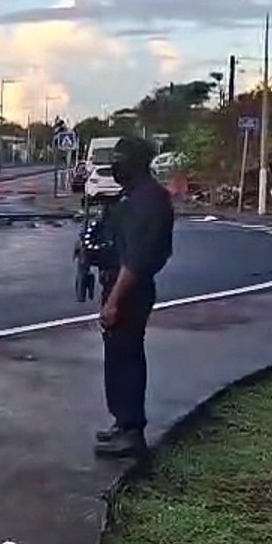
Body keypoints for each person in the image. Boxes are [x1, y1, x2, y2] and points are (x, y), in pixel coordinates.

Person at [95, 136, 175, 458]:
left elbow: (138, 259)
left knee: (126, 358)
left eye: (120, 159)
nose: (114, 165)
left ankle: (132, 430)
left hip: (129, 289)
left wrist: (114, 300)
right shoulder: (130, 197)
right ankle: (122, 422)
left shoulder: (150, 201)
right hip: (117, 284)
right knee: (116, 357)